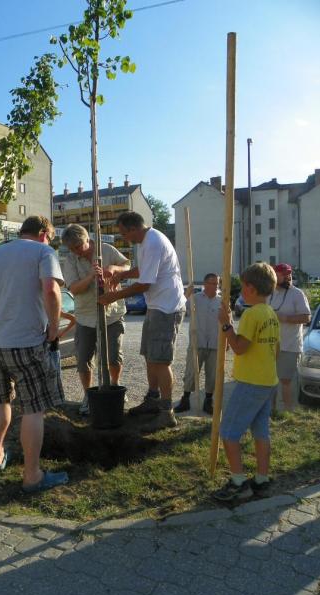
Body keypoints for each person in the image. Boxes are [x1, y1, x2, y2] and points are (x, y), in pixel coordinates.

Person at [0, 215, 68, 493]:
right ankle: (32, 475)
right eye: (49, 236)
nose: (49, 241)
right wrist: (53, 327)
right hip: (26, 342)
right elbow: (51, 290)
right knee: (34, 408)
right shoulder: (43, 251)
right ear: (42, 233)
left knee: (1, 397)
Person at [98, 211, 186, 427]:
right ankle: (153, 399)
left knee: (161, 361)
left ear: (133, 229)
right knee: (150, 356)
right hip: (157, 306)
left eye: (124, 234)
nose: (124, 238)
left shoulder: (153, 242)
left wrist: (112, 296)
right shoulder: (145, 241)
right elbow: (143, 271)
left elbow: (145, 283)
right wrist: (122, 274)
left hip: (167, 307)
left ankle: (167, 412)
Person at [213, 262, 279, 502]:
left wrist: (226, 324)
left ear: (250, 288)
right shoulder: (270, 313)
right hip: (267, 380)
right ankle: (262, 479)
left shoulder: (252, 314)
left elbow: (239, 348)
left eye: (242, 286)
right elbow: (275, 349)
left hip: (251, 382)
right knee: (261, 431)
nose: (240, 290)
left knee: (229, 432)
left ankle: (239, 483)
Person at [62, 224, 130, 415]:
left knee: (114, 357)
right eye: (72, 249)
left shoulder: (106, 249)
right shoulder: (70, 260)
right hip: (85, 316)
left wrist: (113, 268)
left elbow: (127, 264)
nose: (77, 251)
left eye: (79, 247)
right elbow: (74, 288)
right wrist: (91, 276)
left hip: (112, 314)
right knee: (83, 359)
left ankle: (116, 387)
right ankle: (88, 396)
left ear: (87, 240)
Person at [175, 273, 221, 415]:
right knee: (191, 372)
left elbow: (228, 320)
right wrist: (186, 295)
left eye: (217, 284)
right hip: (197, 342)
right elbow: (180, 309)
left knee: (212, 375)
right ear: (205, 284)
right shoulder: (195, 299)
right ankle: (185, 399)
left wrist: (226, 343)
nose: (215, 286)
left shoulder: (222, 301)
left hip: (214, 343)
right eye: (213, 283)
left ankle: (208, 401)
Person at [268, 263, 311, 410]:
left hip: (290, 345)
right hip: (269, 345)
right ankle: (271, 412)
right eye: (284, 274)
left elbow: (306, 318)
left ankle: (288, 413)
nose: (288, 277)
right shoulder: (269, 293)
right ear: (275, 276)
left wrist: (285, 318)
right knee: (269, 380)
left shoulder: (297, 293)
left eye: (289, 274)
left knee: (285, 380)